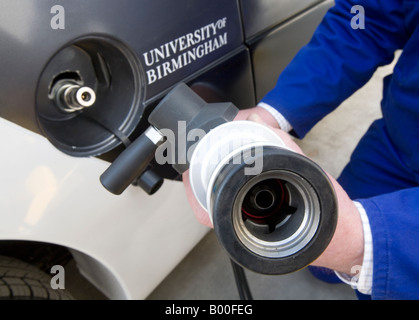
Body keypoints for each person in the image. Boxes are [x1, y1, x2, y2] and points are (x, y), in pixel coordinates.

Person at [183, 0, 419, 300]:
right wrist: (272, 114)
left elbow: (370, 249)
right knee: (320, 261)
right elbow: (364, 21)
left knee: (378, 273)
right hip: (402, 139)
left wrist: (366, 245)